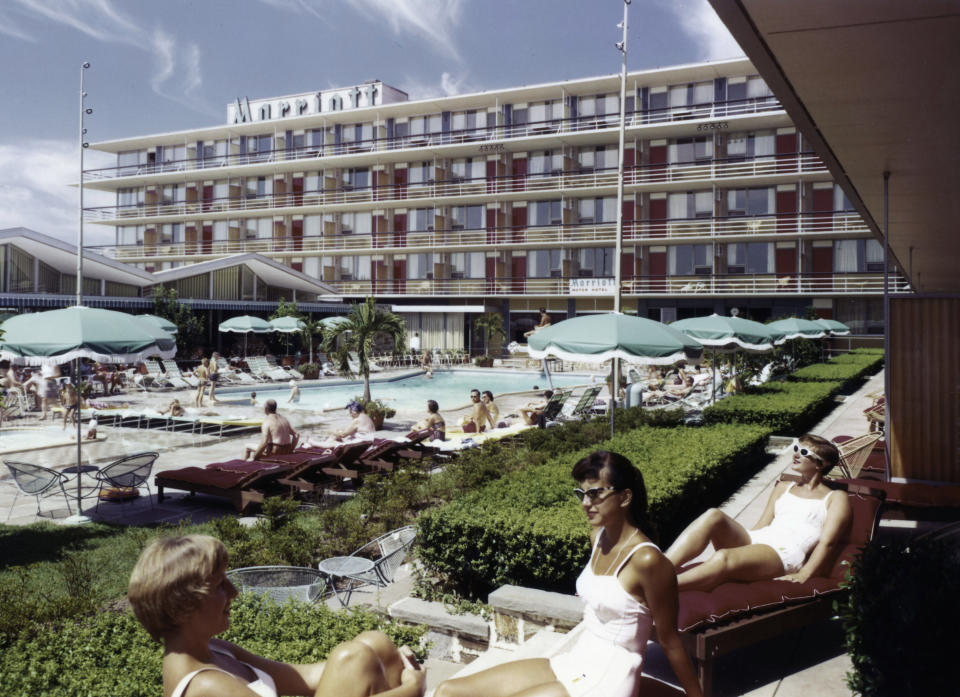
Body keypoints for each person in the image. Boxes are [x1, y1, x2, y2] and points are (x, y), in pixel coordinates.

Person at [434, 451, 702, 697]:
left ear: (625, 497)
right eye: (582, 494)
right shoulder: (597, 538)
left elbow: (670, 641)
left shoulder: (648, 560)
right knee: (448, 691)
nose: (586, 503)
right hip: (575, 659)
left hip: (609, 676)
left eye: (595, 494)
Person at [128, 534, 426, 697]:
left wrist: (375, 659)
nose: (234, 592)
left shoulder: (216, 651)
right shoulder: (207, 686)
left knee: (373, 645)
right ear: (183, 606)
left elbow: (301, 677)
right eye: (220, 585)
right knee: (354, 656)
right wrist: (411, 689)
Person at [665, 434, 852, 591]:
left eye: (803, 452)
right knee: (714, 515)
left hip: (783, 553)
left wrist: (805, 573)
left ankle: (660, 586)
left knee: (723, 557)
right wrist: (743, 545)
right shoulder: (784, 487)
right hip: (759, 541)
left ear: (821, 464)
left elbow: (828, 542)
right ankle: (660, 569)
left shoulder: (835, 497)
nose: (796, 454)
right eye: (796, 448)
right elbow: (762, 524)